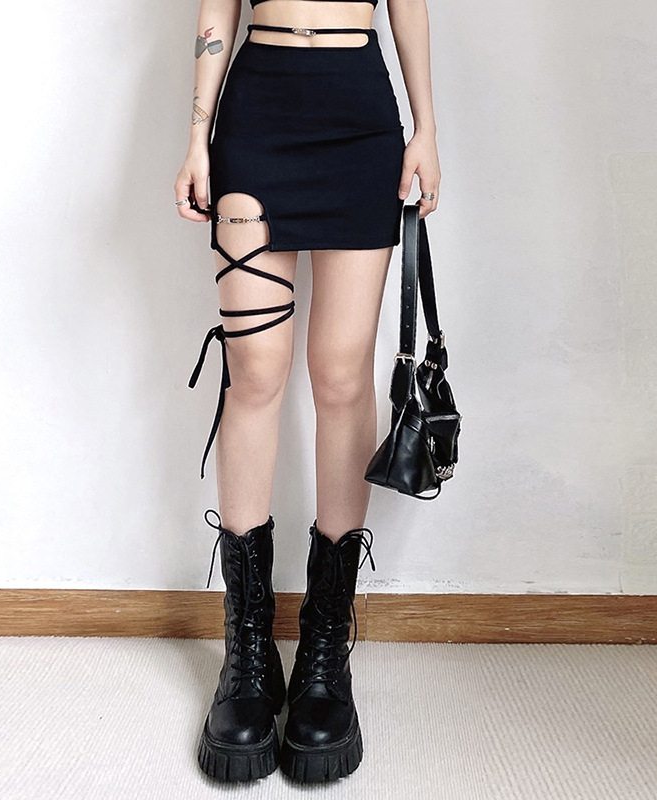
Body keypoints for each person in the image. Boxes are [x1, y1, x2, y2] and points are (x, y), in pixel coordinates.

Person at [174, 0, 439, 784]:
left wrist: (426, 126)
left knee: (341, 374)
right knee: (255, 370)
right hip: (256, 117)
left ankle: (325, 652)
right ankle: (248, 656)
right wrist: (197, 137)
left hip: (360, 119)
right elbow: (218, 4)